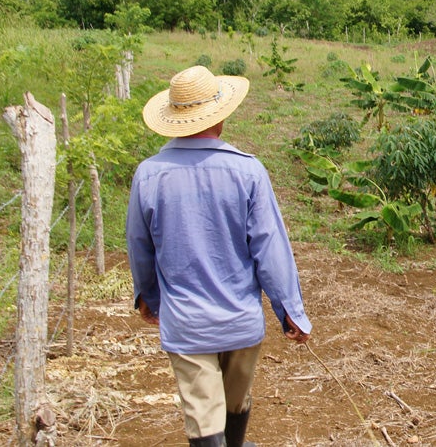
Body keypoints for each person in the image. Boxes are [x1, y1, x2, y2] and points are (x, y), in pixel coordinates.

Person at [126, 65, 312, 447]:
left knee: (203, 416)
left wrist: (148, 297)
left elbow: (140, 247)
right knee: (235, 402)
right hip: (240, 321)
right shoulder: (248, 171)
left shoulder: (148, 175)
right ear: (220, 115)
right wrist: (289, 310)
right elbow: (269, 248)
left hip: (187, 323)